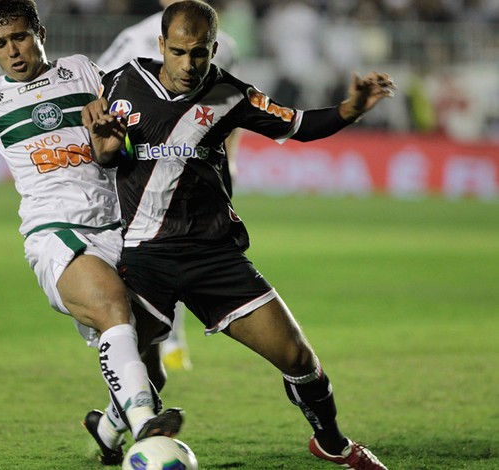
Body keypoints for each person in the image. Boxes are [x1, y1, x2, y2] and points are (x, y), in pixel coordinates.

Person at [82, 1, 396, 468]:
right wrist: (105, 150)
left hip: (215, 257)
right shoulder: (120, 83)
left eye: (202, 53)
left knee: (298, 359)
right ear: (161, 45)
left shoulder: (230, 95)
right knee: (143, 378)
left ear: (215, 48)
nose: (190, 64)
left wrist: (351, 109)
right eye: (181, 52)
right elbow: (105, 157)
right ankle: (110, 430)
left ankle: (332, 441)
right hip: (144, 258)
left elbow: (298, 125)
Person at [0, 0, 183, 464]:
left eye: (21, 37)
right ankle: (147, 420)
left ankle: (108, 428)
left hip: (120, 228)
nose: (14, 51)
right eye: (1, 45)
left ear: (40, 32)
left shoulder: (85, 71)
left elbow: (127, 116)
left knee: (150, 364)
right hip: (55, 232)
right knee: (112, 307)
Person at [97, 0, 241, 371]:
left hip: (192, 162)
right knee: (147, 252)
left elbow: (230, 108)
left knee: (181, 244)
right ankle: (153, 345)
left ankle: (156, 349)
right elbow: (98, 89)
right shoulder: (134, 38)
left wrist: (232, 156)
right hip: (139, 167)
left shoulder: (224, 41)